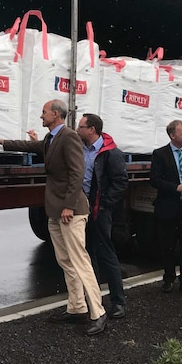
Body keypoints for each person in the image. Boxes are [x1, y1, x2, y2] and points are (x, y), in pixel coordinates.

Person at [0, 99, 108, 336]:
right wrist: (1, 142)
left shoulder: (69, 136)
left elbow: (77, 171)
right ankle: (77, 307)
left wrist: (69, 205)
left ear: (56, 115)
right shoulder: (51, 138)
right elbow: (32, 147)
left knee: (80, 261)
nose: (41, 116)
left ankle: (98, 312)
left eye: (44, 113)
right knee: (65, 261)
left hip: (71, 210)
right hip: (55, 210)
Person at [76, 113, 128, 319]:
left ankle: (118, 301)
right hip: (81, 210)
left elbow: (121, 182)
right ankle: (94, 300)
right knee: (88, 256)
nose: (77, 130)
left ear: (92, 129)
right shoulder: (80, 149)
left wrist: (104, 204)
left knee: (106, 255)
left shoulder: (110, 153)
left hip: (100, 210)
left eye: (81, 127)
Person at [150, 120, 182, 296]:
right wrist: (176, 187)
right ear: (173, 135)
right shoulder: (160, 154)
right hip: (168, 207)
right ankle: (168, 278)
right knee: (167, 245)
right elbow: (155, 179)